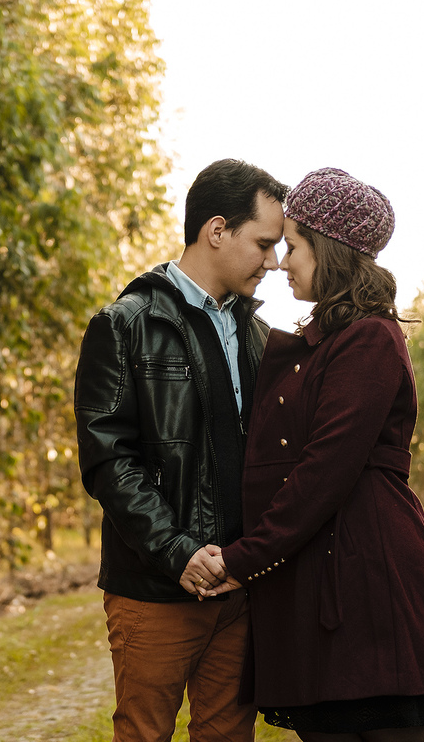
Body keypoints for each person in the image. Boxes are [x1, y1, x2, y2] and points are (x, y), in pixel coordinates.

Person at [200, 168, 424, 742]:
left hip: (366, 577)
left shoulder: (370, 339)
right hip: (324, 572)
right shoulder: (324, 343)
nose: (281, 262)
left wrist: (242, 558)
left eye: (293, 246)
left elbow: (323, 472)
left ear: (331, 252)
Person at [74, 158, 287, 742]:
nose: (273, 262)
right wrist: (178, 552)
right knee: (144, 734)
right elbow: (106, 460)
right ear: (217, 231)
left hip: (239, 590)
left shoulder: (259, 334)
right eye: (264, 244)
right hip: (155, 590)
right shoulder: (124, 325)